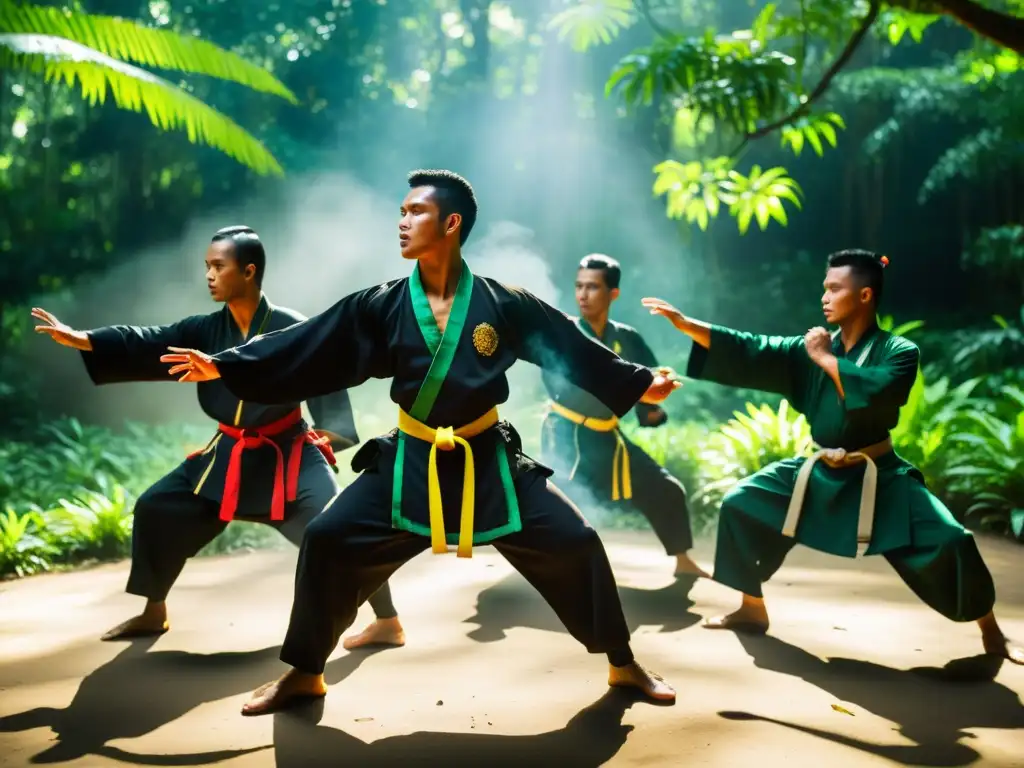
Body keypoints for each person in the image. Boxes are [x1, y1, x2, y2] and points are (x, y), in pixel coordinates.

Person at [161, 170, 681, 715]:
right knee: (328, 539)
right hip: (411, 459)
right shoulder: (381, 304)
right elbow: (309, 342)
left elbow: (571, 346)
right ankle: (305, 673)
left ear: (451, 223)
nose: (402, 221)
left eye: (416, 212)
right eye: (401, 212)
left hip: (488, 462)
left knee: (576, 541)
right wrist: (225, 364)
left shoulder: (504, 303)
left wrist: (642, 381)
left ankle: (623, 663)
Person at [642, 249, 1024, 665]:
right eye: (824, 288)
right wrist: (686, 325)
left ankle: (991, 630)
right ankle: (751, 607)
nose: (824, 296)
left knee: (951, 539)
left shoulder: (899, 350)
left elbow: (877, 393)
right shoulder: (813, 345)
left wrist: (824, 358)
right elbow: (753, 348)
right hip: (820, 469)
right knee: (741, 503)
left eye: (834, 288)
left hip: (880, 473)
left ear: (864, 296)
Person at [33, 226, 405, 646]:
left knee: (335, 529)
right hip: (226, 455)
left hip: (286, 454)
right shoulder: (205, 329)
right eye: (207, 266)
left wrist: (328, 435)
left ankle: (387, 621)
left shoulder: (293, 327)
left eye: (218, 266)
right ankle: (153, 612)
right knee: (157, 508)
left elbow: (329, 380)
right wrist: (87, 340)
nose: (209, 275)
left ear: (248, 272)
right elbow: (152, 340)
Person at [540, 254, 707, 578]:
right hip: (567, 435)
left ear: (613, 293)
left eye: (593, 287)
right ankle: (547, 567)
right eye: (579, 286)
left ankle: (683, 561)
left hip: (607, 436)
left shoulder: (627, 338)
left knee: (666, 488)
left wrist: (653, 409)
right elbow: (557, 384)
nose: (583, 294)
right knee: (558, 502)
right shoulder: (566, 333)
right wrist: (628, 388)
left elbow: (648, 381)